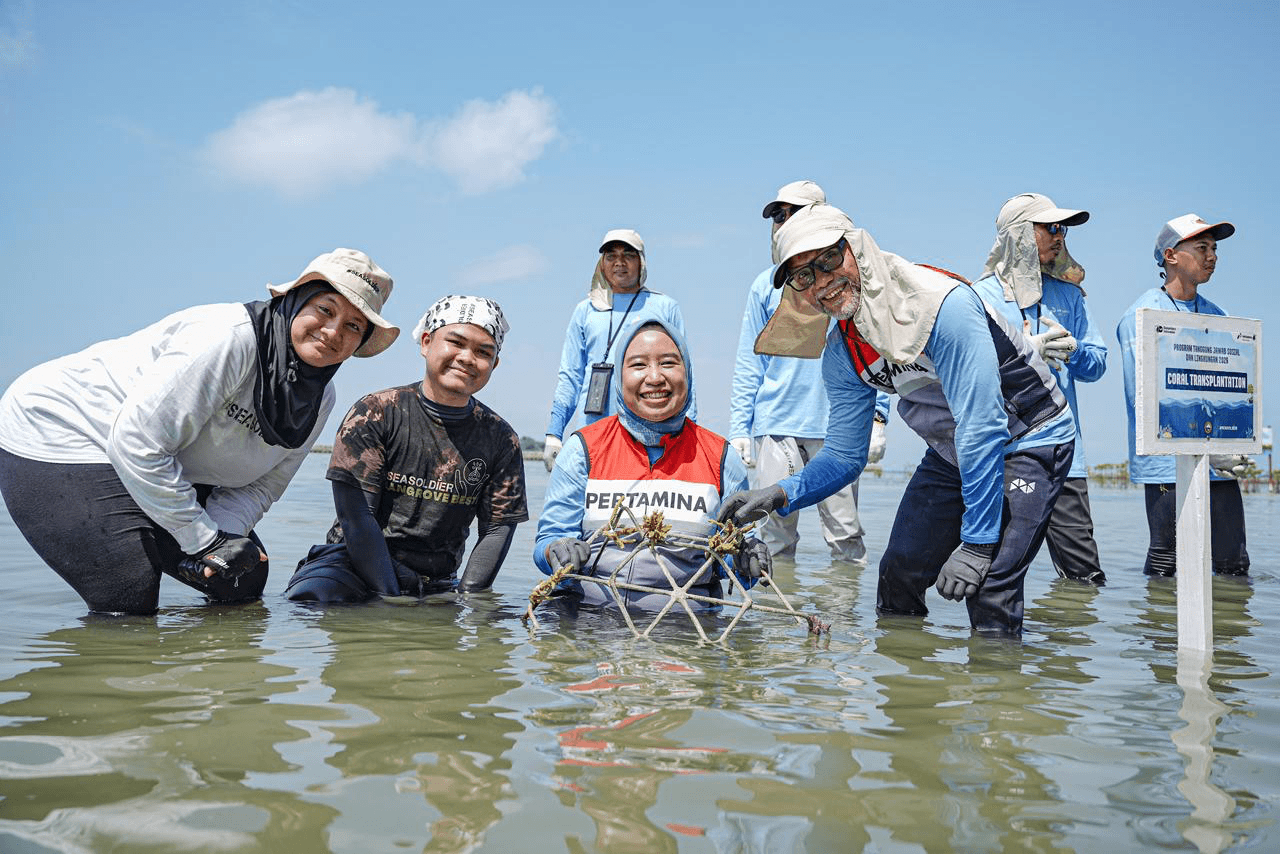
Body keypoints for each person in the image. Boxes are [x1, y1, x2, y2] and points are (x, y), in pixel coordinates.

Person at [718, 204, 1077, 637]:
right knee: (898, 573)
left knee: (990, 587)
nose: (823, 283)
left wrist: (978, 543)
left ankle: (996, 700)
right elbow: (845, 456)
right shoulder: (842, 352)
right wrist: (779, 493)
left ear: (858, 250)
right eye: (804, 277)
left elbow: (982, 429)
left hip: (1029, 436)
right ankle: (910, 693)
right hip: (951, 451)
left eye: (829, 260)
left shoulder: (944, 306)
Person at [0, 248, 399, 614]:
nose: (333, 331)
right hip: (61, 431)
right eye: (324, 310)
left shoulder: (320, 400)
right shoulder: (230, 338)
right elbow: (137, 442)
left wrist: (220, 545)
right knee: (128, 592)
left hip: (160, 464)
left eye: (352, 326)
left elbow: (260, 489)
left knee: (242, 579)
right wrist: (201, 541)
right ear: (293, 301)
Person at [285, 295, 528, 602]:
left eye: (483, 352)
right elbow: (357, 518)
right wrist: (391, 601)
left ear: (494, 363)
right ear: (426, 342)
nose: (467, 358)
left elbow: (496, 530)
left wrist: (468, 598)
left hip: (436, 582)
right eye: (456, 342)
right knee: (313, 598)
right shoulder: (375, 412)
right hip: (351, 568)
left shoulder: (501, 439)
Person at [534, 320, 768, 610]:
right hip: (588, 621)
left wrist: (747, 558)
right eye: (638, 365)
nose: (655, 377)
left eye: (668, 363)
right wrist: (555, 549)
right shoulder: (582, 449)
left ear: (689, 373)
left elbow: (736, 569)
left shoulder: (722, 457)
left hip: (688, 631)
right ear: (620, 376)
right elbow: (547, 543)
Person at [730, 180, 889, 563]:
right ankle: (777, 623)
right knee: (771, 534)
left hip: (837, 429)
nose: (782, 222)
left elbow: (877, 344)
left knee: (845, 538)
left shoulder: (849, 280)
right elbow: (749, 363)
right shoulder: (762, 288)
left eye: (792, 213)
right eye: (778, 216)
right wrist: (739, 428)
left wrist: (879, 417)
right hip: (776, 425)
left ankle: (844, 621)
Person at [972, 192, 1107, 585]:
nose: (1060, 235)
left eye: (1062, 228)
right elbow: (965, 374)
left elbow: (1097, 365)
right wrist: (1021, 355)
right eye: (1050, 227)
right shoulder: (979, 298)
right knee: (997, 570)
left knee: (1084, 578)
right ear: (1018, 235)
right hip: (1004, 453)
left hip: (1066, 457)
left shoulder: (1069, 296)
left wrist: (1075, 350)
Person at [1116, 214, 1249, 576]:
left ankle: (1229, 631)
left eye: (1215, 249)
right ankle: (1160, 632)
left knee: (1234, 561)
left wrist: (1230, 443)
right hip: (1165, 460)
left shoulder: (1218, 316)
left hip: (1217, 463)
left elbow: (1229, 390)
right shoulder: (1142, 315)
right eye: (1202, 247)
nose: (1212, 256)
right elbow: (1140, 396)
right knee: (1166, 558)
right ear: (1171, 255)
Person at [543, 229, 691, 472]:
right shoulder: (585, 310)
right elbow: (570, 375)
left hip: (653, 432)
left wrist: (689, 431)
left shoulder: (665, 307)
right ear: (602, 263)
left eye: (628, 255)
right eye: (611, 256)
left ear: (641, 262)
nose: (619, 263)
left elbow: (683, 375)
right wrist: (554, 433)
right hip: (594, 431)